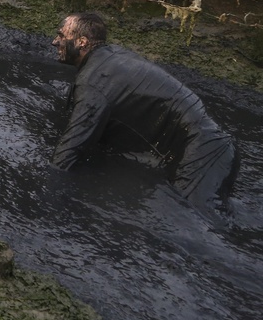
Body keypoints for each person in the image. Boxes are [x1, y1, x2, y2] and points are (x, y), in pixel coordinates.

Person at [50, 11, 239, 212]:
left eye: (61, 35)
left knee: (199, 226)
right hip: (214, 149)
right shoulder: (111, 56)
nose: (55, 41)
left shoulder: (95, 82)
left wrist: (48, 193)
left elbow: (69, 151)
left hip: (204, 155)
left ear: (82, 42)